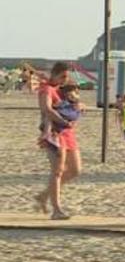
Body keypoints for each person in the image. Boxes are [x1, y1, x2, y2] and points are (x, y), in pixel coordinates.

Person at [34, 62, 81, 220]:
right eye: (63, 76)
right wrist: (62, 120)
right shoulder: (46, 89)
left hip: (68, 132)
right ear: (55, 73)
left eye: (66, 76)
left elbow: (72, 102)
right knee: (57, 170)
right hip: (54, 132)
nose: (65, 79)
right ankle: (56, 209)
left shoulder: (61, 89)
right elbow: (46, 109)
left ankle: (44, 196)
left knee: (75, 169)